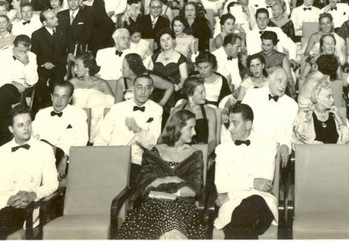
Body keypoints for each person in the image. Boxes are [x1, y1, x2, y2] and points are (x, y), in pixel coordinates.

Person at [0, 105, 58, 240]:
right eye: (20, 125)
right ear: (11, 129)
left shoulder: (44, 149)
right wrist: (8, 200)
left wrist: (33, 195)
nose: (26, 128)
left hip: (25, 206)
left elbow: (52, 183)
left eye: (28, 123)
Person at [116, 109, 208, 239]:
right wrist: (174, 179)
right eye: (191, 128)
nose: (195, 132)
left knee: (170, 219)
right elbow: (145, 185)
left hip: (182, 209)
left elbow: (194, 190)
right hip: (151, 209)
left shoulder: (195, 155)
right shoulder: (154, 152)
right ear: (178, 127)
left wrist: (161, 183)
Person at [213, 103, 279, 239]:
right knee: (242, 218)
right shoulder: (222, 149)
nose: (230, 129)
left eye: (235, 123)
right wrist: (252, 182)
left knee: (252, 203)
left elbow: (264, 184)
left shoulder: (268, 145)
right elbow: (220, 185)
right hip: (232, 207)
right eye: (229, 123)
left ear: (248, 124)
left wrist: (230, 194)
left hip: (261, 204)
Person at [93, 73, 163, 169]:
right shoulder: (117, 108)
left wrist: (138, 130)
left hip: (135, 161)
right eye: (139, 87)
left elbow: (153, 142)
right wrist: (101, 156)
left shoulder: (156, 110)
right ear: (133, 88)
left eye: (146, 88)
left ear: (151, 90)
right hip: (111, 157)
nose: (142, 92)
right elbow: (101, 137)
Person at [31, 80, 88, 178]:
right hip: (40, 158)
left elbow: (82, 142)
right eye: (56, 96)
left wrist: (66, 157)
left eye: (64, 97)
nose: (59, 101)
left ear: (70, 99)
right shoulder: (42, 114)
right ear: (51, 96)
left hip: (66, 159)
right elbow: (31, 137)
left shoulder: (79, 114)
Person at [292, 77, 349, 145]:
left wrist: (340, 121)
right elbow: (297, 141)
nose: (332, 100)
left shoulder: (335, 115)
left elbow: (348, 142)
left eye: (332, 96)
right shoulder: (305, 116)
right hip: (312, 154)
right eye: (328, 96)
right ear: (318, 99)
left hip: (335, 154)